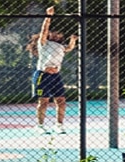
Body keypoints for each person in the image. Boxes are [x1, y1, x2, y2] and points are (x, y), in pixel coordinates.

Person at [27, 5, 78, 135]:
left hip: (56, 76)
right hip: (43, 75)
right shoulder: (43, 43)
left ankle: (59, 125)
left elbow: (69, 48)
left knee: (61, 100)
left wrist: (73, 40)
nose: (58, 34)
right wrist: (48, 16)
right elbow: (44, 29)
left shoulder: (61, 47)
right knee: (43, 101)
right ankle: (40, 125)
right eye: (55, 33)